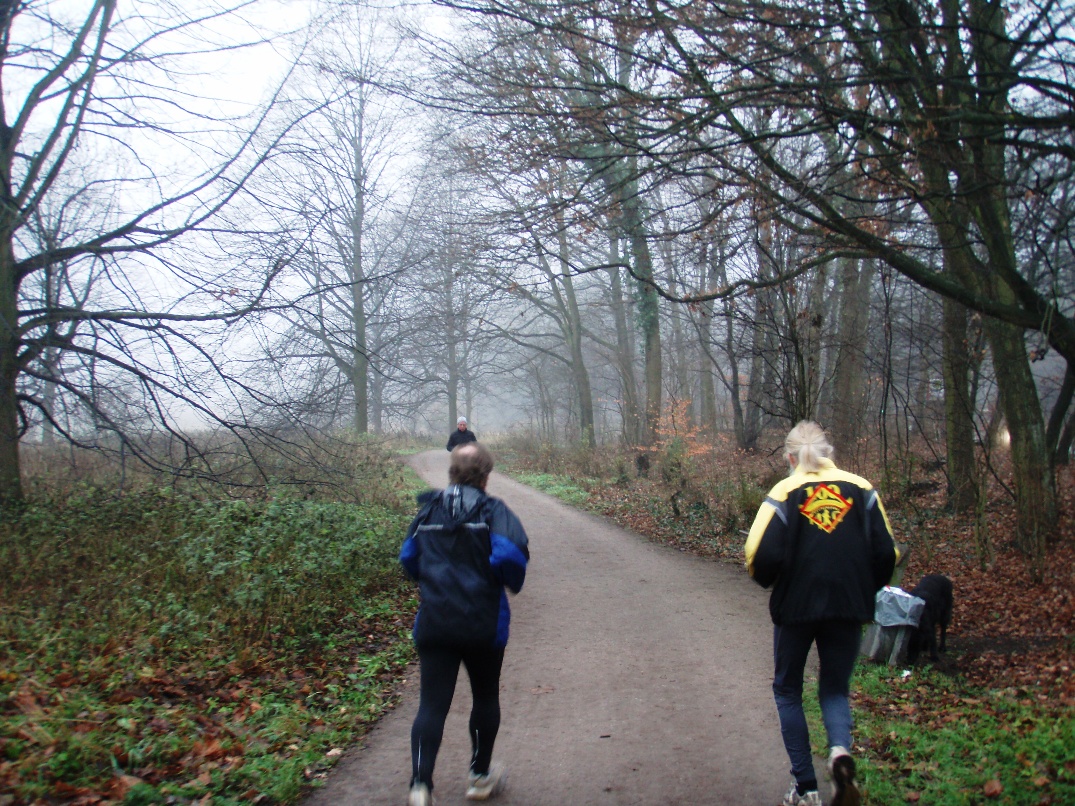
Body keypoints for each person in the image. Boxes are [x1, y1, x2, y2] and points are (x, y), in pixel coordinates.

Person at [744, 421, 897, 806]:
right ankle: (840, 752)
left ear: (790, 457)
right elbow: (886, 553)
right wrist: (866, 588)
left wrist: (770, 581)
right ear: (828, 453)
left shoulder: (784, 491)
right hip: (847, 606)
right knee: (833, 687)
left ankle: (806, 790)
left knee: (787, 690)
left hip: (796, 607)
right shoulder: (861, 488)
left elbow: (757, 554)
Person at [399, 443, 529, 806]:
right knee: (485, 696)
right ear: (486, 474)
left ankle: (420, 786)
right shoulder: (494, 510)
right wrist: (503, 580)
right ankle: (479, 777)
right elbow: (510, 555)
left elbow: (408, 557)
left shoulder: (429, 510)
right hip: (482, 622)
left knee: (431, 705)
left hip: (436, 620)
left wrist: (431, 581)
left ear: (452, 472)